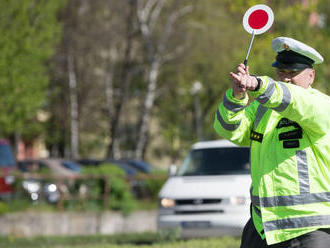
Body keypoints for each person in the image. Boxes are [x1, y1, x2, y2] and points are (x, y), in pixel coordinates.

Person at [214, 36, 330, 247]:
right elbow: (229, 129)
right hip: (263, 226)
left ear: (311, 76)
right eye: (281, 72)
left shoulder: (320, 106)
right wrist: (237, 96)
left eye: (292, 73)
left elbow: (293, 100)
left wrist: (259, 83)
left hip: (309, 229)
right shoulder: (262, 109)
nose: (285, 78)